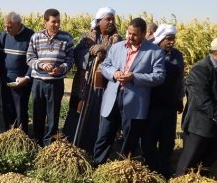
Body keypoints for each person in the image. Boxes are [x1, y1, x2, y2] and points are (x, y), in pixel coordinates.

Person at [93, 18, 166, 166]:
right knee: (104, 134)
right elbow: (106, 65)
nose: (130, 37)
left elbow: (159, 76)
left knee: (129, 138)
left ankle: (125, 168)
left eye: (134, 35)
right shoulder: (117, 47)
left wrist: (134, 77)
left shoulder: (155, 52)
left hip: (135, 101)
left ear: (144, 34)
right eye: (129, 33)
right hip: (112, 97)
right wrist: (114, 73)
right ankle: (97, 164)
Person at [62, 7, 122, 154]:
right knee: (78, 112)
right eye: (108, 19)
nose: (111, 22)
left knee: (98, 115)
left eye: (112, 19)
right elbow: (77, 55)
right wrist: (90, 52)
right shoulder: (87, 37)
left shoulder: (117, 40)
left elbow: (120, 59)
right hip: (84, 85)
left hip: (103, 86)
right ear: (99, 21)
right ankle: (72, 145)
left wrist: (104, 50)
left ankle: (92, 148)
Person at [141, 24, 185, 178]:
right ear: (160, 38)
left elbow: (180, 79)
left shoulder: (177, 56)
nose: (171, 42)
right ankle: (151, 169)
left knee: (167, 139)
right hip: (151, 103)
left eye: (173, 39)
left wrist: (180, 99)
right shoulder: (150, 52)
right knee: (149, 138)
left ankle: (164, 168)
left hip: (169, 104)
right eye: (168, 39)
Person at [27, 8, 74, 146]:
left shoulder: (67, 38)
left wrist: (61, 69)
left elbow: (71, 59)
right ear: (45, 21)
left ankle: (49, 146)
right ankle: (37, 142)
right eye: (53, 22)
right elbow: (29, 58)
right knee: (38, 114)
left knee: (53, 116)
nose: (57, 25)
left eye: (59, 22)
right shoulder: (36, 37)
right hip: (38, 82)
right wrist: (42, 65)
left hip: (56, 83)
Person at [176, 38, 217, 177]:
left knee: (205, 166)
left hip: (214, 127)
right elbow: (203, 101)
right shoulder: (200, 69)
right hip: (199, 127)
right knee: (186, 167)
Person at [0, 11, 34, 133]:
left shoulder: (30, 36)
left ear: (18, 24)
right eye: (5, 26)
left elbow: (34, 60)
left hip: (21, 81)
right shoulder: (4, 35)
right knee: (7, 109)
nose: (6, 29)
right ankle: (8, 135)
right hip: (6, 78)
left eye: (9, 27)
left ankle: (22, 136)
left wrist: (27, 77)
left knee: (20, 110)